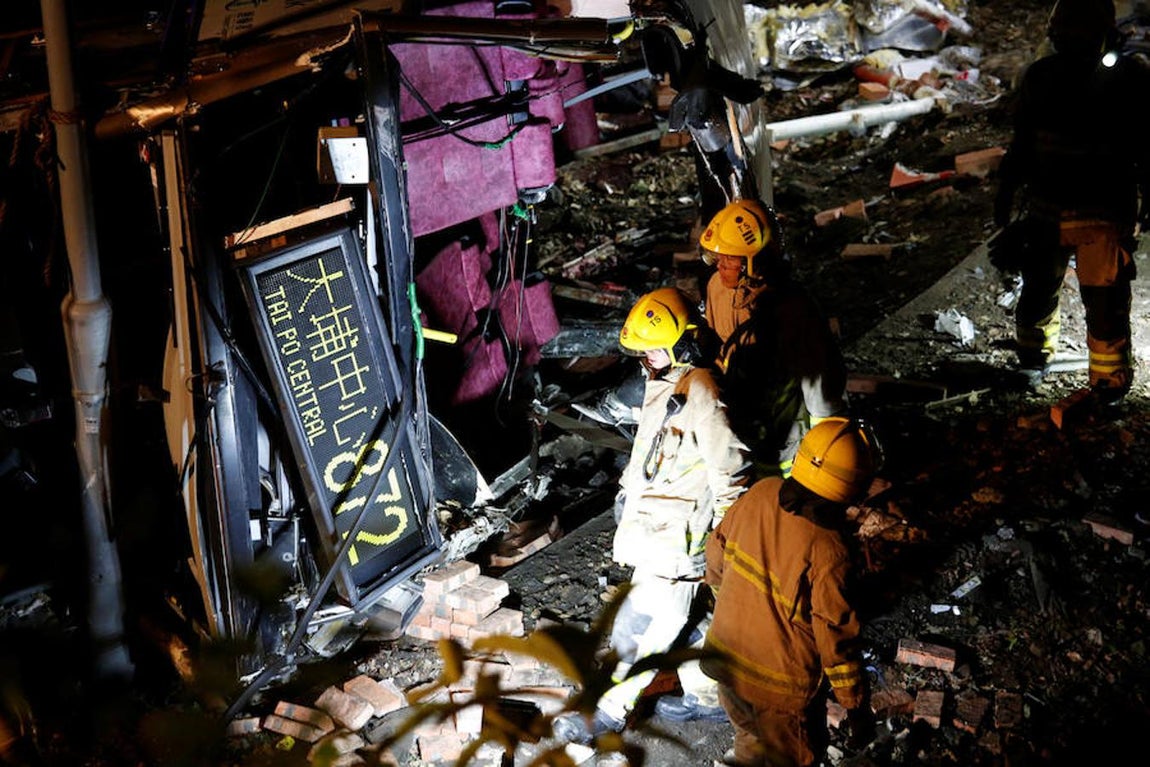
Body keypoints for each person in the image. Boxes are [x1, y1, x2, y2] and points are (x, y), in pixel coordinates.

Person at [552, 286, 750, 745]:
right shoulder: (664, 383)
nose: (647, 359)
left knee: (650, 628)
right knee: (677, 617)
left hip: (682, 537)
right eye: (643, 353)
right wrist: (627, 497)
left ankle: (608, 711)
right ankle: (708, 697)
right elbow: (649, 455)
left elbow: (731, 471)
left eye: (654, 351)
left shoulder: (702, 390)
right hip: (656, 529)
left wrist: (723, 536)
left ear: (683, 341)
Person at [993, 0, 1150, 403]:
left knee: (1041, 291)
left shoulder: (1040, 77)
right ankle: (1108, 385)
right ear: (1108, 34)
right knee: (1104, 302)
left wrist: (1005, 197)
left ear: (1054, 34)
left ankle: (1033, 361)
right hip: (1100, 216)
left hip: (1050, 213)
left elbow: (1020, 147)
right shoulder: (1130, 78)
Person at [702, 417, 882, 767]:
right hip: (778, 689)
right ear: (850, 488)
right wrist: (854, 704)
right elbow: (835, 635)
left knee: (750, 743)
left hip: (726, 662)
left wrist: (735, 603)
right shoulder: (829, 549)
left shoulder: (761, 492)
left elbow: (715, 553)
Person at [697, 197, 850, 478]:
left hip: (782, 435)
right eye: (718, 256)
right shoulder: (716, 287)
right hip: (735, 421)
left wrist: (825, 446)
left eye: (729, 257)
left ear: (752, 262)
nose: (719, 264)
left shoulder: (791, 308)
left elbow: (819, 383)